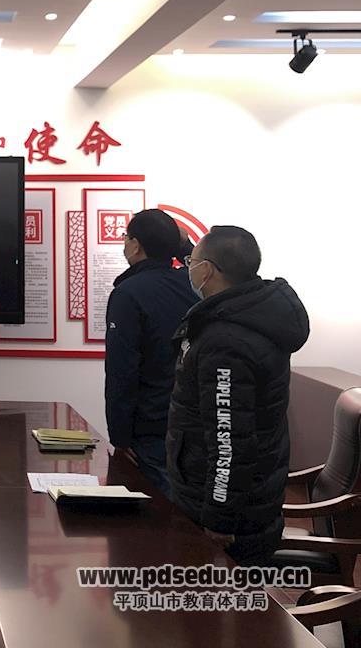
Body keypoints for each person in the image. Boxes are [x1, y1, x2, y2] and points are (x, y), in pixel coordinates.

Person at [167, 226, 309, 565]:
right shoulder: (246, 319)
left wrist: (219, 517)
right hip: (244, 502)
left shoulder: (227, 342)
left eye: (191, 261)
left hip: (230, 520)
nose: (188, 268)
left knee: (215, 597)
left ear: (207, 270)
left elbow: (229, 440)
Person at [105, 209, 198, 497]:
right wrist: (182, 246)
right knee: (187, 507)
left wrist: (119, 437)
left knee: (157, 511)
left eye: (126, 237)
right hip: (191, 421)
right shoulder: (192, 284)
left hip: (149, 427)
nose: (124, 243)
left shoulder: (129, 293)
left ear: (136, 245)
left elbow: (122, 371)